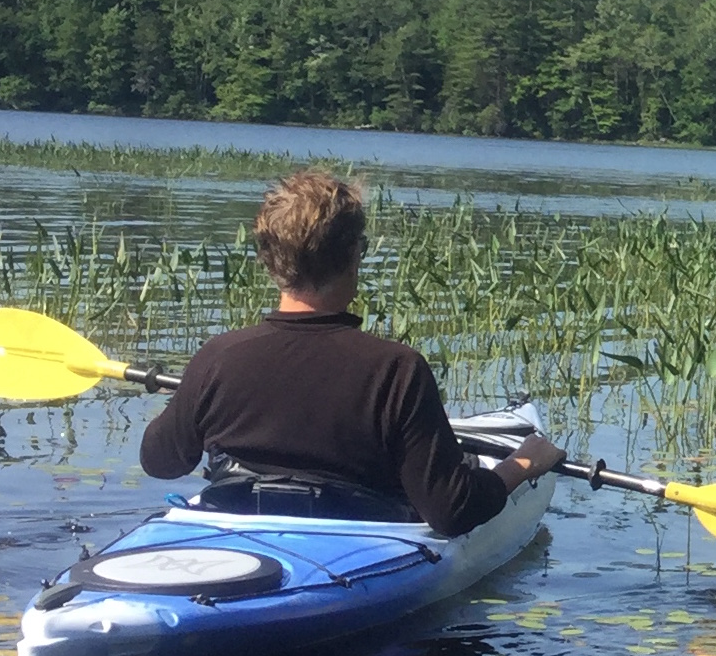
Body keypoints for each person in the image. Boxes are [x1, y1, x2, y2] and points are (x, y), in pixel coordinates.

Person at [140, 168, 562, 532]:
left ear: (267, 261)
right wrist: (524, 463)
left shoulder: (219, 356)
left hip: (236, 524)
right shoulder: (396, 369)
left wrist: (189, 399)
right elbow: (452, 511)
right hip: (357, 534)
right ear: (353, 254)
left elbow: (160, 462)